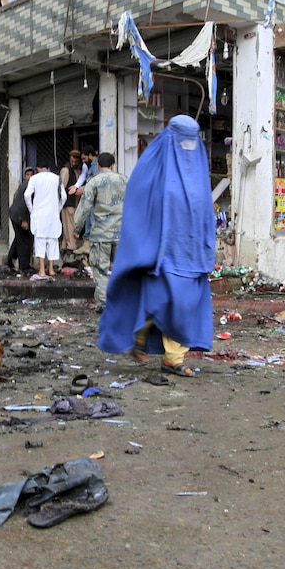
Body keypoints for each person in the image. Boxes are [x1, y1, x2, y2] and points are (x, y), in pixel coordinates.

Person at [98, 115, 216, 377]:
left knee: (185, 305)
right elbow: (139, 204)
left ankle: (172, 357)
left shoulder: (197, 166)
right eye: (183, 139)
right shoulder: (153, 165)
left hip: (192, 252)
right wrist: (146, 243)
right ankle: (141, 335)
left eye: (192, 139)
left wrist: (208, 244)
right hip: (161, 251)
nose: (188, 146)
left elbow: (205, 209)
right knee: (162, 300)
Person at [71, 152, 126, 312]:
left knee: (101, 270)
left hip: (101, 234)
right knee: (121, 269)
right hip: (121, 234)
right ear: (113, 165)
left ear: (99, 166)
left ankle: (105, 305)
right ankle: (122, 301)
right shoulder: (124, 180)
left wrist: (76, 228)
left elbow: (84, 207)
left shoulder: (94, 182)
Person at [24, 161, 66, 280]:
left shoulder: (34, 178)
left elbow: (27, 195)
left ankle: (42, 270)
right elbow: (64, 196)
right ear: (48, 168)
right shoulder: (57, 178)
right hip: (53, 215)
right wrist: (57, 208)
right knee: (52, 241)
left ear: (38, 168)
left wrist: (32, 210)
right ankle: (51, 269)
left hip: (39, 214)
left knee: (40, 242)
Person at [6, 166, 35, 273]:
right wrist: (23, 219)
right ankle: (24, 266)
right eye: (28, 175)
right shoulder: (29, 186)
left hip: (15, 214)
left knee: (19, 238)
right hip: (19, 216)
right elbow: (23, 203)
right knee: (25, 241)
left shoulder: (25, 185)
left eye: (32, 174)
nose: (30, 177)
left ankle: (9, 260)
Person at [73, 145, 99, 256]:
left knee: (91, 220)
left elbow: (95, 183)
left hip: (95, 199)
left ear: (90, 155)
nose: (83, 161)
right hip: (91, 198)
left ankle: (88, 245)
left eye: (84, 158)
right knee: (88, 218)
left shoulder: (96, 166)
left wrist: (83, 189)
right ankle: (86, 244)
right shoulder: (89, 166)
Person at [58, 150, 84, 253]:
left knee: (69, 227)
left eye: (76, 161)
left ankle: (66, 246)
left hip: (74, 203)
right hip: (68, 203)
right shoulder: (66, 170)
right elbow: (61, 188)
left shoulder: (77, 171)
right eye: (72, 161)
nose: (74, 163)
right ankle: (71, 247)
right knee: (70, 227)